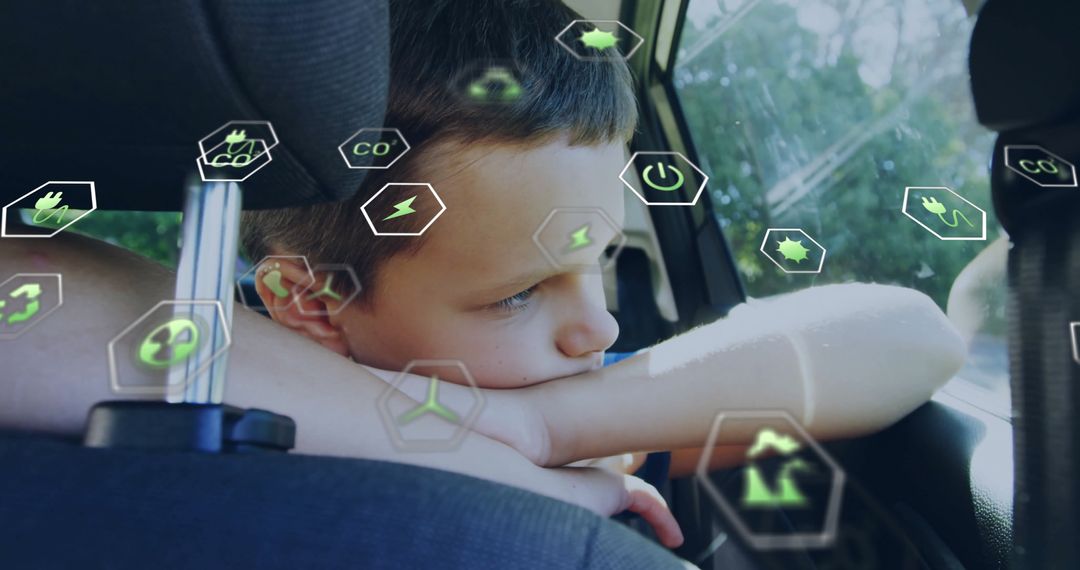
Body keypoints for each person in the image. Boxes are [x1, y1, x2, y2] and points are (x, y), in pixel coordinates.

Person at [0, 0, 966, 552]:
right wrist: (454, 438)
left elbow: (909, 336)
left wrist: (544, 426)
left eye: (604, 261)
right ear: (310, 299)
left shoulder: (591, 417)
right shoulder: (192, 400)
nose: (594, 328)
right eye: (517, 294)